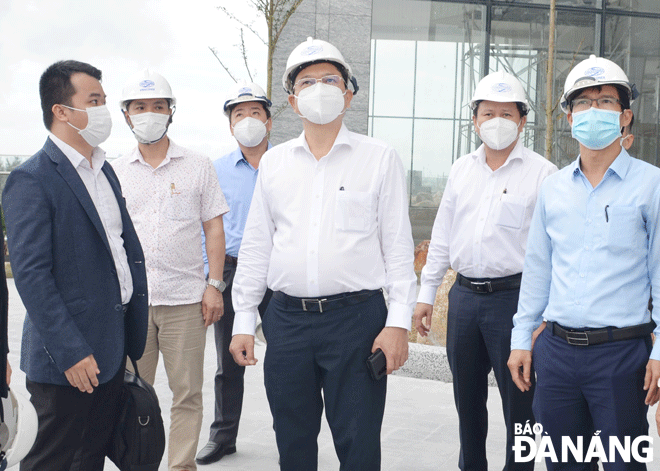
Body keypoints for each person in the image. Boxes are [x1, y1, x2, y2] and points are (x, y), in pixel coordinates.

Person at [228, 37, 417, 471]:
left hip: (356, 321)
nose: (319, 88)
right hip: (287, 321)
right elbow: (258, 245)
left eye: (329, 79)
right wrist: (243, 320)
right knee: (292, 439)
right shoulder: (274, 163)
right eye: (307, 81)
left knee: (359, 439)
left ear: (348, 92)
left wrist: (398, 323)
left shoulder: (379, 158)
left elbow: (398, 247)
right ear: (293, 101)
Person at [508, 55, 660, 470]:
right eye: (583, 103)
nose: (594, 111)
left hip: (622, 356)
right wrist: (522, 338)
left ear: (625, 116)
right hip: (556, 355)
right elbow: (538, 271)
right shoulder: (553, 189)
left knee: (621, 465)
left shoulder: (652, 185)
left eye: (606, 101)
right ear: (569, 118)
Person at [2, 60, 148, 470]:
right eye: (94, 100)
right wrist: (70, 352)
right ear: (61, 111)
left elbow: (119, 250)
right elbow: (32, 275)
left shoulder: (104, 172)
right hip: (69, 360)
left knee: (89, 459)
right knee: (55, 460)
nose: (104, 110)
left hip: (110, 346)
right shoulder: (32, 178)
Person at [413, 70, 557, 471]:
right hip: (464, 299)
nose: (497, 121)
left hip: (515, 301)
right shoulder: (461, 169)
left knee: (521, 404)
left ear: (523, 120)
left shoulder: (543, 174)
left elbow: (553, 251)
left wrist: (543, 314)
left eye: (507, 113)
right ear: (474, 120)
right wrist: (426, 296)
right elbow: (442, 236)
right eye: (488, 112)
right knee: (467, 400)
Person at [112, 69, 229, 471]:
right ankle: (137, 462)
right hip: (132, 305)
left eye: (158, 106)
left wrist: (214, 285)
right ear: (126, 114)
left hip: (185, 301)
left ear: (171, 112)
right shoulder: (114, 171)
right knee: (132, 392)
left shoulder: (197, 165)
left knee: (187, 394)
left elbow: (214, 225)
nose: (149, 114)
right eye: (140, 107)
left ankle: (181, 465)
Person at [196, 81, 274, 465]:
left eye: (255, 113)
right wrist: (209, 281)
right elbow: (205, 226)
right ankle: (223, 437)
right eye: (238, 114)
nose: (247, 121)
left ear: (269, 122)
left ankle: (291, 436)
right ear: (230, 125)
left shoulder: (287, 163)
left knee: (286, 361)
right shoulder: (217, 170)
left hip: (280, 276)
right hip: (231, 271)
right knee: (228, 363)